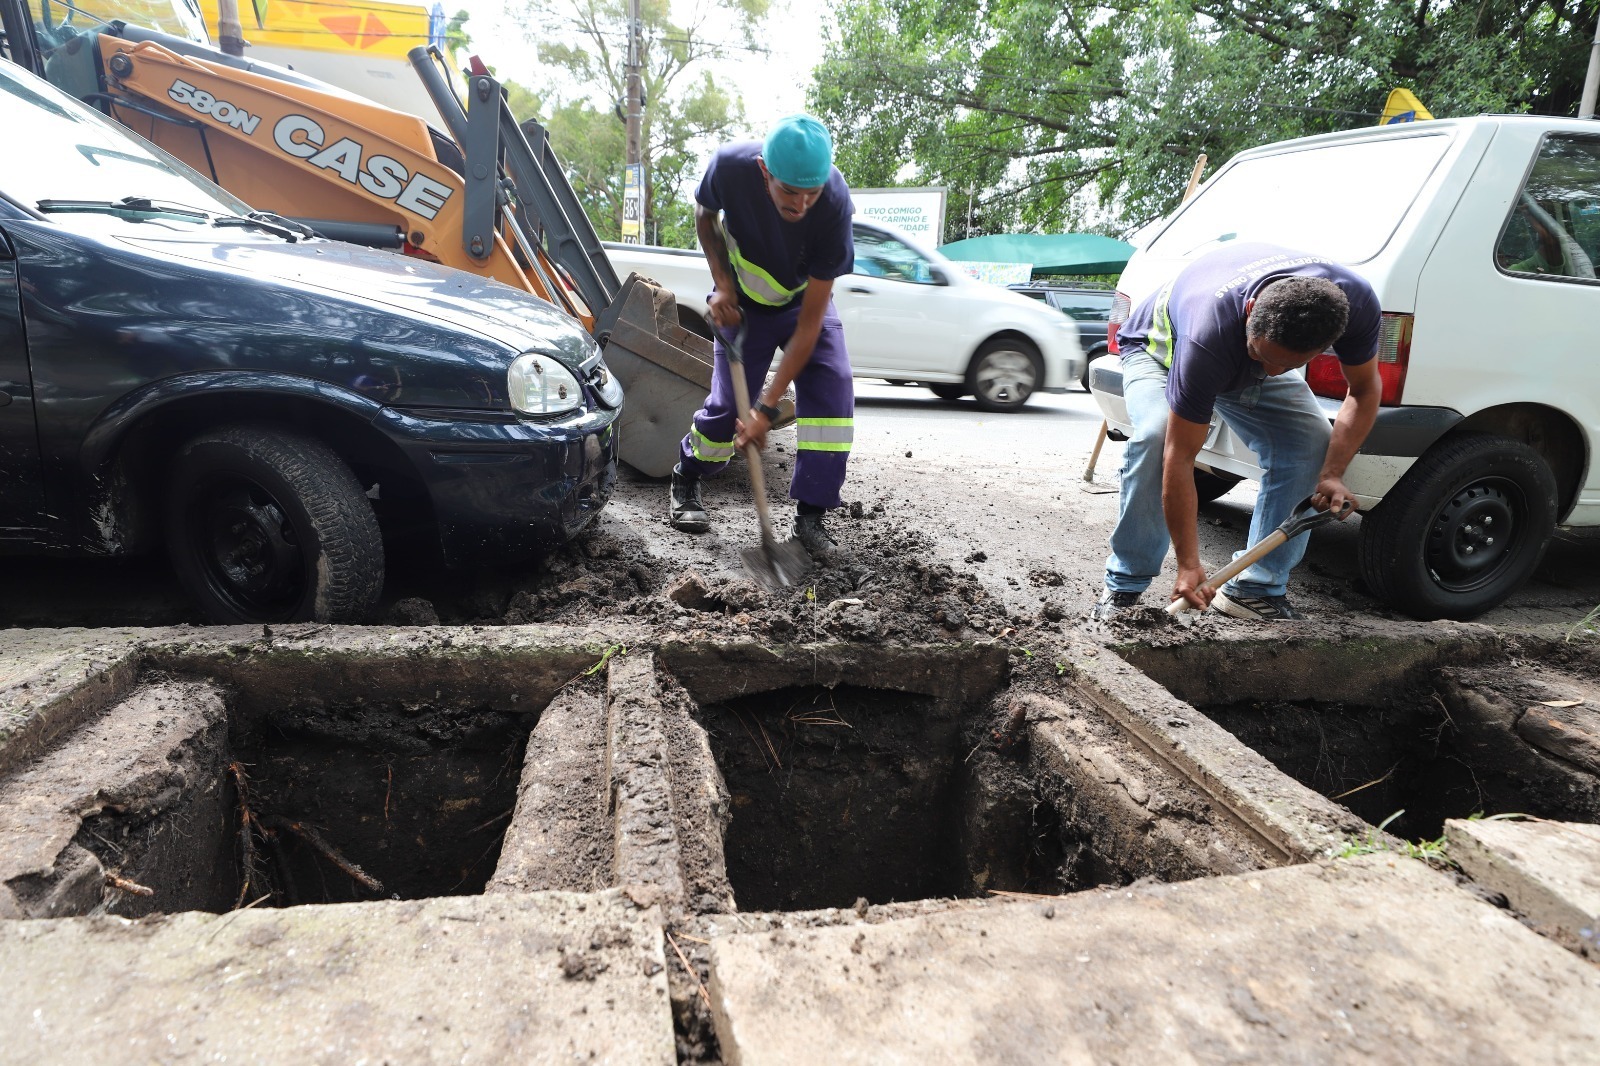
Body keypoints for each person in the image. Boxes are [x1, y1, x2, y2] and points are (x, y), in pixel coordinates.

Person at [1092, 243, 1383, 622]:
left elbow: (1363, 390)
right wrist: (1189, 563)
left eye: (1290, 364)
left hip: (1235, 345)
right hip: (1162, 349)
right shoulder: (1207, 336)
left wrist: (1331, 474)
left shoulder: (1353, 303)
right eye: (1264, 357)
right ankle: (1124, 586)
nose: (1274, 373)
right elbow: (1179, 458)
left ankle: (1256, 587)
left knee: (1310, 441)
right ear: (1250, 315)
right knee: (1157, 436)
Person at [668, 114, 856, 559]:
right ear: (764, 171)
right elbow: (704, 214)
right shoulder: (730, 167)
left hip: (801, 307)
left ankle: (810, 518)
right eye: (790, 191)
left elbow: (809, 326)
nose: (802, 203)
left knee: (833, 394)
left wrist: (766, 411)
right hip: (743, 307)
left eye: (811, 192)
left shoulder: (834, 203)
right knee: (728, 411)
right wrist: (722, 283)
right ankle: (686, 475)